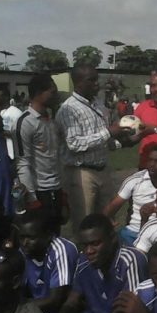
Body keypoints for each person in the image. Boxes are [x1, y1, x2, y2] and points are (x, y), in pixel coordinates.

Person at [55, 65, 125, 231]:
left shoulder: (98, 104)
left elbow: (102, 139)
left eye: (97, 79)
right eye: (91, 80)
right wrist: (108, 132)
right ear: (78, 82)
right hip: (82, 173)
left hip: (103, 169)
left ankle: (107, 255)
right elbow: (74, 144)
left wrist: (123, 141)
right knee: (84, 222)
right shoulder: (68, 109)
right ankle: (84, 255)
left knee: (107, 219)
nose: (97, 84)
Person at [58, 214, 148, 313]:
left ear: (113, 238)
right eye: (85, 245)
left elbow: (130, 312)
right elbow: (73, 300)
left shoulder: (129, 260)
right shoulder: (83, 260)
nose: (89, 251)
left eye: (95, 244)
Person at [14, 73, 66, 232]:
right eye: (52, 91)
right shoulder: (26, 122)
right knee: (40, 237)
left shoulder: (51, 121)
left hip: (56, 188)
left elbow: (57, 157)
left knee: (56, 233)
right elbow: (23, 163)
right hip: (39, 192)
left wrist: (63, 191)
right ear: (38, 93)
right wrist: (32, 197)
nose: (56, 95)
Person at [103, 144, 157, 245]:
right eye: (150, 160)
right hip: (133, 232)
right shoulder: (135, 180)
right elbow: (112, 206)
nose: (152, 164)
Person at [16, 209, 78, 313]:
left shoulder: (61, 250)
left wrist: (17, 308)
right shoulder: (23, 252)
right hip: (35, 310)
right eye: (22, 237)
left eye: (31, 238)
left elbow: (55, 301)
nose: (25, 243)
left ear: (48, 235)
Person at [0, 87, 22, 160]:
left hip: (13, 156)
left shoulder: (16, 113)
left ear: (6, 97)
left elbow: (22, 134)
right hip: (1, 155)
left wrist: (5, 133)